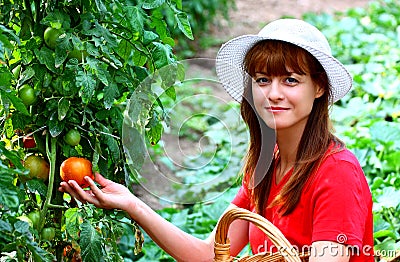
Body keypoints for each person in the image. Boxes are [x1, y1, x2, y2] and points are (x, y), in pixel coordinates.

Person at [59, 19, 374, 262]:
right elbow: (211, 253)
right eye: (263, 80)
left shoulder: (336, 173)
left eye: (291, 80)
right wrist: (132, 204)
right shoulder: (267, 165)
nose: (274, 93)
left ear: (318, 88)